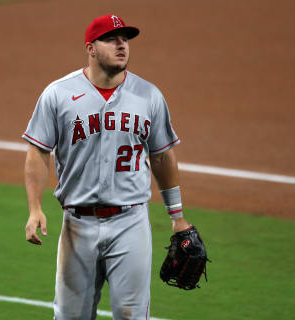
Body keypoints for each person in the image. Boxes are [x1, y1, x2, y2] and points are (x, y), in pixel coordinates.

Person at [23, 14, 192, 320]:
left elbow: (162, 156)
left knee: (132, 315)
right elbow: (38, 151)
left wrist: (177, 216)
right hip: (77, 224)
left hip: (131, 223)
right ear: (91, 48)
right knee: (70, 317)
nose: (121, 45)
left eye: (125, 39)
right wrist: (34, 208)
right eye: (112, 39)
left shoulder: (149, 96)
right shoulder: (58, 94)